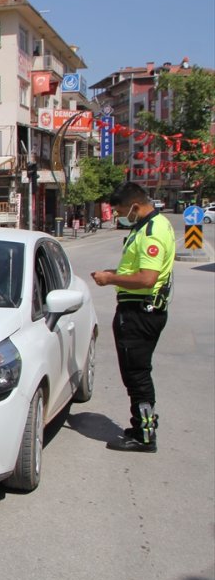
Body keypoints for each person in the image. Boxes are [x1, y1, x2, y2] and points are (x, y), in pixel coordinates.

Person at [91, 181, 174, 453]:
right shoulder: (152, 225)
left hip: (139, 312)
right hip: (142, 310)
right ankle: (141, 425)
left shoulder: (151, 231)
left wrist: (110, 278)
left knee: (137, 376)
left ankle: (144, 435)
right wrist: (115, 273)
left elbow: (147, 278)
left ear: (135, 206)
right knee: (137, 374)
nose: (119, 216)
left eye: (121, 211)